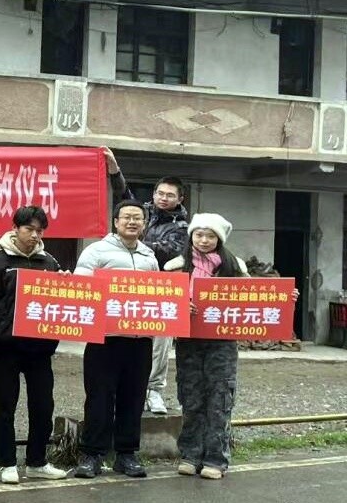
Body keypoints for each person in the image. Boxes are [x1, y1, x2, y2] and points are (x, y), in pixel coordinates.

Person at [72, 200, 161, 479]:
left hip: (140, 339)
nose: (132, 222)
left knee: (133, 397)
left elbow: (159, 293)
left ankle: (126, 454)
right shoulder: (96, 251)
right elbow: (81, 288)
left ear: (144, 223)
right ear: (115, 222)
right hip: (105, 339)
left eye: (138, 218)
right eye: (126, 217)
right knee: (99, 397)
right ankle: (92, 455)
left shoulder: (149, 256)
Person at [0, 206, 69, 485]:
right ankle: (7, 463)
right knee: (6, 406)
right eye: (29, 229)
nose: (34, 235)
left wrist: (65, 285)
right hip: (7, 347)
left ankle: (37, 461)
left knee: (43, 406)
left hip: (40, 349)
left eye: (39, 231)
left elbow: (59, 302)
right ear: (15, 228)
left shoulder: (49, 261)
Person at [165, 213, 248, 480]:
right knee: (191, 397)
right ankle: (190, 455)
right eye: (199, 235)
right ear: (191, 236)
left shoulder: (235, 267)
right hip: (189, 341)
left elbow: (256, 298)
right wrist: (180, 306)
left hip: (222, 343)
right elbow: (163, 300)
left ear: (219, 239)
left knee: (220, 398)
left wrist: (284, 298)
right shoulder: (175, 267)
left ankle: (216, 459)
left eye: (210, 236)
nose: (203, 240)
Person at [108, 159, 190, 416]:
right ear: (154, 194)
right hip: (129, 286)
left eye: (170, 195)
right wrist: (115, 171)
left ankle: (154, 390)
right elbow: (124, 196)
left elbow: (169, 252)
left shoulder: (182, 227)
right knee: (123, 338)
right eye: (160, 193)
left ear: (180, 199)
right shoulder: (142, 212)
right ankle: (123, 390)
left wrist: (133, 242)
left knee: (160, 341)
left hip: (161, 287)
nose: (163, 198)